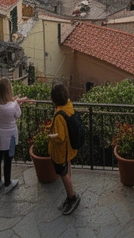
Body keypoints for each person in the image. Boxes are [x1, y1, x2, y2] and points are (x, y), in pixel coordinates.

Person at [0, 78, 31, 194]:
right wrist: (16, 102)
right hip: (9, 135)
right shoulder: (12, 106)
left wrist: (14, 100)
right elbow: (18, 115)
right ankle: (8, 183)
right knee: (8, 159)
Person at [48, 83, 80, 215]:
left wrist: (50, 136)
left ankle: (71, 197)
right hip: (69, 149)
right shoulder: (69, 105)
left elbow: (60, 137)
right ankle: (70, 190)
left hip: (62, 151)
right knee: (67, 167)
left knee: (62, 173)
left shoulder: (59, 115)